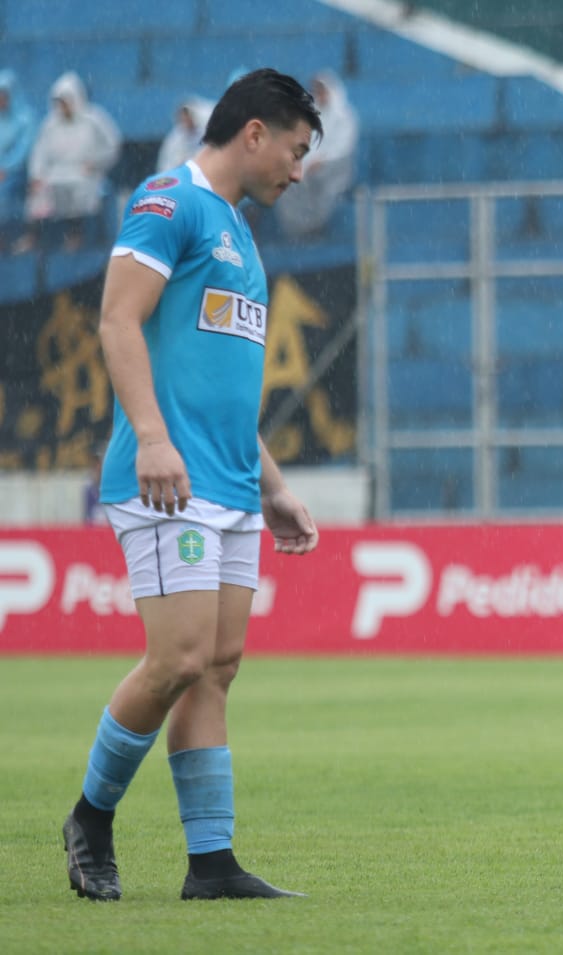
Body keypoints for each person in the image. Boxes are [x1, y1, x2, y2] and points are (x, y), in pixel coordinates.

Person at [61, 68, 322, 902]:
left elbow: (223, 385)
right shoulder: (169, 202)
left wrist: (273, 485)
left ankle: (210, 863)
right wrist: (152, 438)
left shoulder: (242, 235)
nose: (300, 167)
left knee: (216, 666)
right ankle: (90, 817)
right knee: (174, 657)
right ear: (255, 133)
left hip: (233, 485)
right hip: (167, 479)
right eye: (296, 148)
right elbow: (115, 319)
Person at [17, 71, 121, 253]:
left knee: (79, 191)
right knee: (40, 193)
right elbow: (39, 152)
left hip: (85, 171)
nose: (62, 106)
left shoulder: (93, 119)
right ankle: (34, 237)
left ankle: (75, 235)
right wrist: (37, 175)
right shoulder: (50, 124)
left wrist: (96, 163)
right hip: (56, 172)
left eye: (65, 101)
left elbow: (113, 144)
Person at [272, 68, 356, 238]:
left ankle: (317, 226)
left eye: (322, 91)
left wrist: (323, 161)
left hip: (334, 169)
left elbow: (343, 148)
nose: (320, 95)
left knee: (321, 179)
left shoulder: (345, 117)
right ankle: (298, 229)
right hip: (309, 167)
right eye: (317, 91)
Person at [0, 69, 36, 231]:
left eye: (4, 95)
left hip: (19, 172)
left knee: (4, 190)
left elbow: (24, 150)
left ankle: (6, 235)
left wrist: (6, 168)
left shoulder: (26, 117)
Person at [155, 95, 213, 176]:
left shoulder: (205, 133)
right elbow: (167, 163)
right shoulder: (175, 140)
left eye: (187, 116)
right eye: (183, 117)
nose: (186, 120)